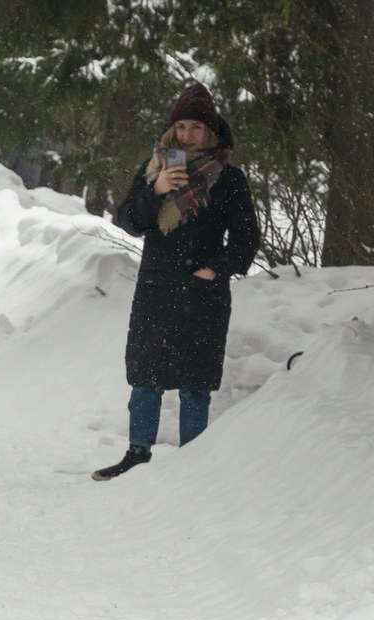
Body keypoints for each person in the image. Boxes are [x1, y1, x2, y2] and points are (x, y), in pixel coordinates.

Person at [95, 83, 260, 480]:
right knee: (145, 375)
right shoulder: (156, 168)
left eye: (196, 128)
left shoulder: (229, 178)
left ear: (211, 132)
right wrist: (156, 190)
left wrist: (215, 269)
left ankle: (192, 464)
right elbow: (129, 222)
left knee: (195, 381)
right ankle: (137, 454)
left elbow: (246, 239)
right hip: (156, 288)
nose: (187, 135)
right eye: (182, 126)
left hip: (203, 292)